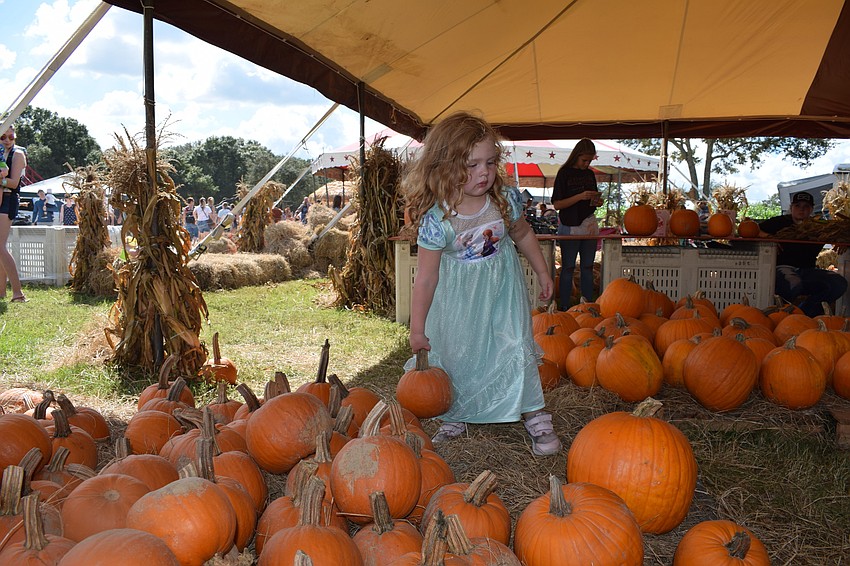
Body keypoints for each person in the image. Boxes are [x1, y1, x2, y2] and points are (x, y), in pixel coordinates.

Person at [402, 111, 560, 456]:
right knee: (459, 353)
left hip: (503, 292)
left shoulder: (504, 202)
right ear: (444, 165)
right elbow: (426, 278)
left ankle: (532, 410)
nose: (483, 173)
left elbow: (524, 235)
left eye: (489, 162)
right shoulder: (437, 219)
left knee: (513, 343)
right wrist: (417, 328)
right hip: (458, 301)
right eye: (471, 165)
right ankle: (456, 412)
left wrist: (544, 271)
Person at [759, 191, 847, 317]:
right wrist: (768, 237)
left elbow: (839, 234)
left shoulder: (819, 226)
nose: (801, 210)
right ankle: (777, 316)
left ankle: (804, 315)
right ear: (791, 208)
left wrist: (842, 241)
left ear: (811, 209)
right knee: (793, 283)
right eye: (797, 206)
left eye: (806, 207)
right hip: (782, 269)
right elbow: (752, 229)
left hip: (808, 271)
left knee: (838, 283)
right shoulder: (779, 222)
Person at [551, 138, 602, 307]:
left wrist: (596, 201)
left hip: (588, 223)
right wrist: (580, 196)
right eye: (584, 160)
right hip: (570, 225)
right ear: (576, 156)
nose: (586, 164)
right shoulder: (564, 173)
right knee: (568, 268)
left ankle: (587, 305)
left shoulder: (589, 174)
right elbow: (557, 204)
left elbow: (591, 200)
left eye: (589, 160)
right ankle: (565, 306)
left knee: (587, 267)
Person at [0, 124, 28, 302]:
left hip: (9, 200)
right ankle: (2, 291)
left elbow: (14, 183)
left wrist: (1, 178)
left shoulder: (17, 154)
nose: (8, 140)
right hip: (3, 198)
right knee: (0, 248)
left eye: (11, 137)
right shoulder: (2, 153)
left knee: (0, 246)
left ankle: (18, 292)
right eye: (3, 137)